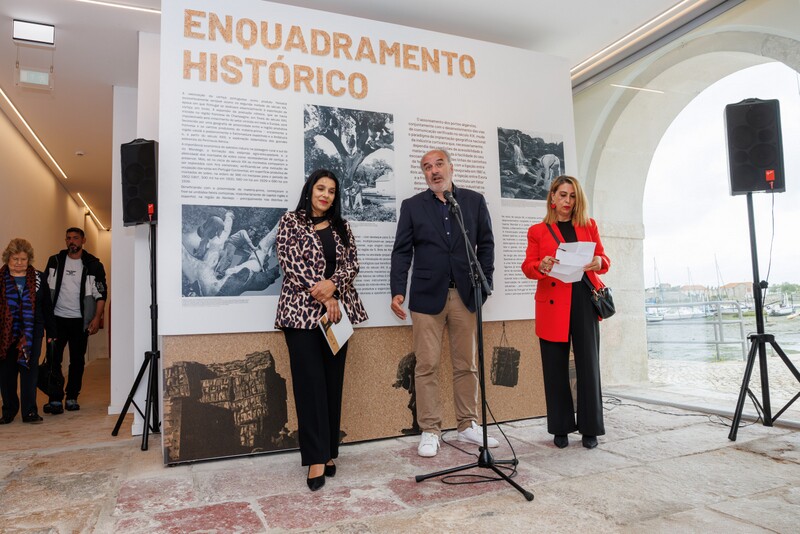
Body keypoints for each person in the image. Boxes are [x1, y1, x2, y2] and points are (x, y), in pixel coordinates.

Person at [390, 148, 499, 457]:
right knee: (426, 365)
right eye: (427, 167)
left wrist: (484, 285)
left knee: (467, 363)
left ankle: (467, 424)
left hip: (465, 295)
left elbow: (486, 245)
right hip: (426, 297)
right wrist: (398, 290)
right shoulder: (412, 206)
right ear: (424, 174)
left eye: (438, 164)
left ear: (451, 167)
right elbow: (402, 251)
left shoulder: (473, 202)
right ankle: (430, 429)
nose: (433, 171)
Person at [274, 169, 368, 491]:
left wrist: (333, 286)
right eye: (320, 188)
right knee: (309, 385)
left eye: (331, 191)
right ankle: (315, 456)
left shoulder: (343, 227)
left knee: (331, 383)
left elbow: (352, 264)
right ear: (310, 190)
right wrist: (322, 291)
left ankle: (329, 452)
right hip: (300, 314)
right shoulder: (291, 221)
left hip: (337, 315)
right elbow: (290, 261)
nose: (325, 195)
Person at [521, 175, 611, 449]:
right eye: (562, 195)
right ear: (552, 197)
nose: (567, 201)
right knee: (555, 367)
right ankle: (560, 428)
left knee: (588, 366)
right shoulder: (538, 230)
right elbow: (528, 266)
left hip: (583, 298)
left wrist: (598, 261)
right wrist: (543, 265)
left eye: (572, 196)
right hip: (552, 303)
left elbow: (604, 260)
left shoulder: (589, 225)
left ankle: (590, 429)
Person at [44, 228, 107, 414]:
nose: (72, 241)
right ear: (65, 240)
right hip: (57, 320)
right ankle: (55, 398)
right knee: (54, 359)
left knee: (77, 361)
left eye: (76, 238)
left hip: (80, 322)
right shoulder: (55, 261)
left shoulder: (93, 265)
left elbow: (101, 294)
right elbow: (45, 291)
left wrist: (96, 317)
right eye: (69, 238)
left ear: (83, 240)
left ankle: (72, 397)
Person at [0, 239, 56, 424]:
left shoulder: (39, 278)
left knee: (29, 371)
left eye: (23, 259)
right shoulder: (0, 279)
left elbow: (47, 307)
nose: (19, 263)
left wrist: (51, 332)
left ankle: (30, 411)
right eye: (15, 258)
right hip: (5, 334)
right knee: (7, 373)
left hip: (33, 332)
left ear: (29, 259)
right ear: (8, 258)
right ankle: (8, 411)